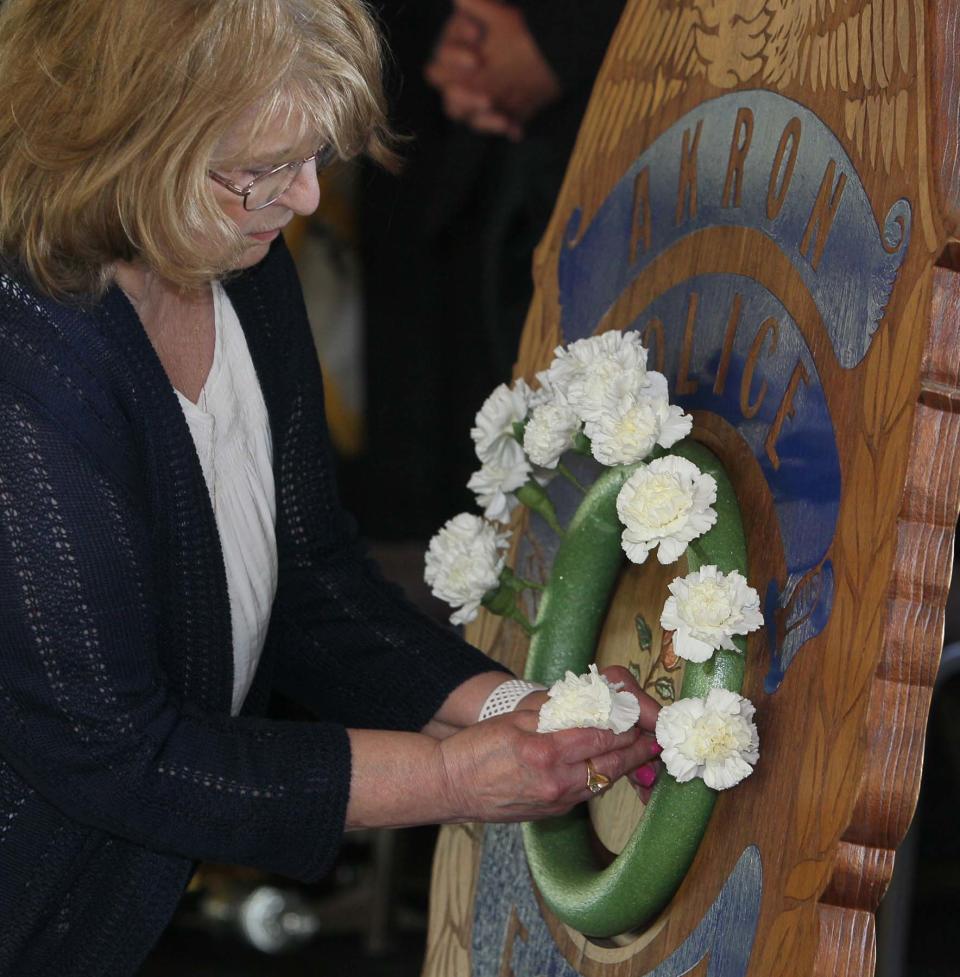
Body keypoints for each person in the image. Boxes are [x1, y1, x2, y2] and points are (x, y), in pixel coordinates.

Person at [0, 2, 660, 974]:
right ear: (122, 143)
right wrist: (449, 775)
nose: (306, 198)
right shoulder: (28, 351)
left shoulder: (235, 255)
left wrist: (523, 712)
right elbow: (112, 751)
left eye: (313, 158)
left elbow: (313, 583)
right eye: (261, 169)